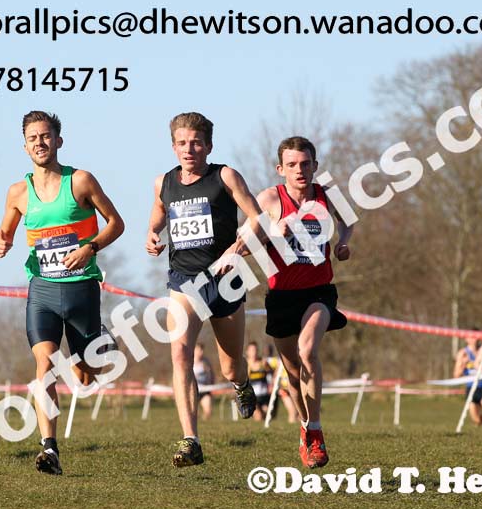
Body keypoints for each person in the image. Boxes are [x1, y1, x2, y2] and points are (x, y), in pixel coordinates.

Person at [0, 110, 125, 475]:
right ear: (24, 146)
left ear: (58, 140)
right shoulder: (18, 192)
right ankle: (49, 448)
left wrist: (90, 248)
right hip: (43, 291)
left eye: (46, 136)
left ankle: (103, 346)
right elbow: (6, 230)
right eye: (33, 137)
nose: (40, 142)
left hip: (81, 289)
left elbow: (117, 223)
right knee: (45, 364)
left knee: (85, 375)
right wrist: (1, 241)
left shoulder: (81, 181)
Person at [146, 112, 263, 467]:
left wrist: (237, 249)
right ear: (173, 146)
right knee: (180, 353)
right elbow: (157, 216)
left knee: (230, 366)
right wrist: (152, 234)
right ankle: (190, 440)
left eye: (196, 142)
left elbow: (258, 218)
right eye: (182, 143)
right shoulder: (163, 182)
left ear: (209, 145)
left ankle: (241, 384)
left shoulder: (224, 176)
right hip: (183, 281)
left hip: (224, 280)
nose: (189, 149)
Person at [255, 136, 353, 468]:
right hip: (281, 295)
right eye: (293, 165)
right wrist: (271, 230)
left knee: (308, 350)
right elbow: (247, 237)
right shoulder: (269, 198)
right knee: (293, 372)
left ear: (315, 165)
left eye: (306, 164)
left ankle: (316, 429)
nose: (300, 170)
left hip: (318, 292)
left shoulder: (328, 196)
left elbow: (349, 222)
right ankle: (305, 431)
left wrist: (343, 243)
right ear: (281, 169)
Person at [453, 331, 482, 426]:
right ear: (466, 339)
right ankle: (481, 427)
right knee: (476, 420)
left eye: (475, 336)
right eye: (471, 337)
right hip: (471, 388)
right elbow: (456, 375)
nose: (473, 339)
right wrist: (463, 364)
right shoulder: (463, 353)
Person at [266, 342, 297, 423]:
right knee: (292, 411)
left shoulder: (296, 360)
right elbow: (269, 369)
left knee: (299, 414)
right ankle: (291, 428)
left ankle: (299, 429)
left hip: (295, 388)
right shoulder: (277, 361)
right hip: (284, 389)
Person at [246, 341, 272, 421]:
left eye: (256, 350)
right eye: (252, 350)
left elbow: (272, 373)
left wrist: (271, 384)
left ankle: (264, 432)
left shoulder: (263, 362)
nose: (254, 352)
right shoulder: (245, 364)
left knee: (267, 415)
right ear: (247, 352)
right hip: (252, 396)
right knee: (258, 416)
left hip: (264, 395)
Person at [193, 343, 215, 421]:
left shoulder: (206, 362)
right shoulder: (189, 361)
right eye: (199, 350)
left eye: (202, 350)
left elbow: (212, 374)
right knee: (194, 413)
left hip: (205, 390)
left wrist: (211, 385)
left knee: (208, 411)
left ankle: (205, 426)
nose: (201, 352)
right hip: (193, 391)